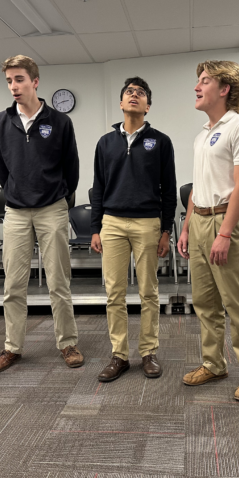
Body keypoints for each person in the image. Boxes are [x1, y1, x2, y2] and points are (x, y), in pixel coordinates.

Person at [177, 60, 239, 402]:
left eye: (204, 81)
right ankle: (213, 363)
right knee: (205, 302)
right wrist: (186, 229)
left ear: (225, 88)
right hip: (199, 219)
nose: (197, 87)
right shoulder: (204, 132)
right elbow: (196, 187)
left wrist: (225, 233)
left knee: (238, 302)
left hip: (224, 221)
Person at [0, 55, 83, 374]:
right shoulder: (1, 122)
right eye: (9, 81)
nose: (14, 87)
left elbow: (72, 169)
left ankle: (67, 343)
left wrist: (58, 197)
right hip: (15, 211)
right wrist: (16, 191)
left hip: (52, 208)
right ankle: (12, 347)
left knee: (58, 281)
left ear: (35, 82)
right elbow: (2, 168)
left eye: (19, 80)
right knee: (13, 284)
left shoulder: (60, 122)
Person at [90, 77, 177, 382]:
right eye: (129, 92)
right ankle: (119, 355)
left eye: (140, 94)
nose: (134, 96)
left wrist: (166, 230)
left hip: (147, 223)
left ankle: (149, 353)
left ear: (148, 106)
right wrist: (96, 227)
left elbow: (170, 190)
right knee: (114, 292)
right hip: (112, 223)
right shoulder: (105, 142)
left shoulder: (161, 142)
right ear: (121, 103)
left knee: (148, 292)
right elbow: (97, 188)